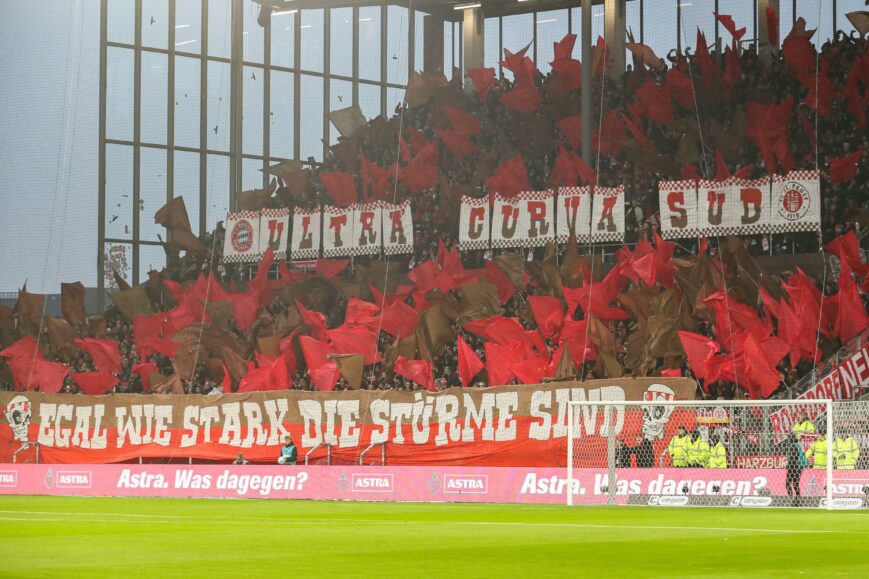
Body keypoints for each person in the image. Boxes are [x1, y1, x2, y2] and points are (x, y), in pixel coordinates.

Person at [782, 433, 807, 505]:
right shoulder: (799, 444)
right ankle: (798, 498)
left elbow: (793, 458)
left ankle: (791, 498)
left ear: (790, 439)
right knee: (796, 484)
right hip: (799, 466)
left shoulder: (793, 446)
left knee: (788, 484)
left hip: (794, 466)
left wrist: (788, 466)